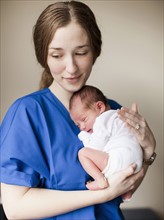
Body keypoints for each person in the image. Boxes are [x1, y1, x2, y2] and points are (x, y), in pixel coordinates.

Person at [0, 1, 156, 220]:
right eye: (57, 55)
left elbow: (126, 185)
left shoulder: (110, 110)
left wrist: (148, 153)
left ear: (95, 51)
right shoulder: (26, 113)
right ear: (43, 56)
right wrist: (101, 194)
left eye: (81, 53)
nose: (71, 67)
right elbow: (15, 208)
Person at [69, 85, 143, 201]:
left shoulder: (102, 120)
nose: (82, 127)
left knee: (83, 153)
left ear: (99, 107)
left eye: (84, 120)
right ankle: (127, 193)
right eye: (78, 125)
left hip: (119, 160)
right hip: (137, 162)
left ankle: (99, 180)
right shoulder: (117, 114)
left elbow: (96, 147)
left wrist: (84, 136)